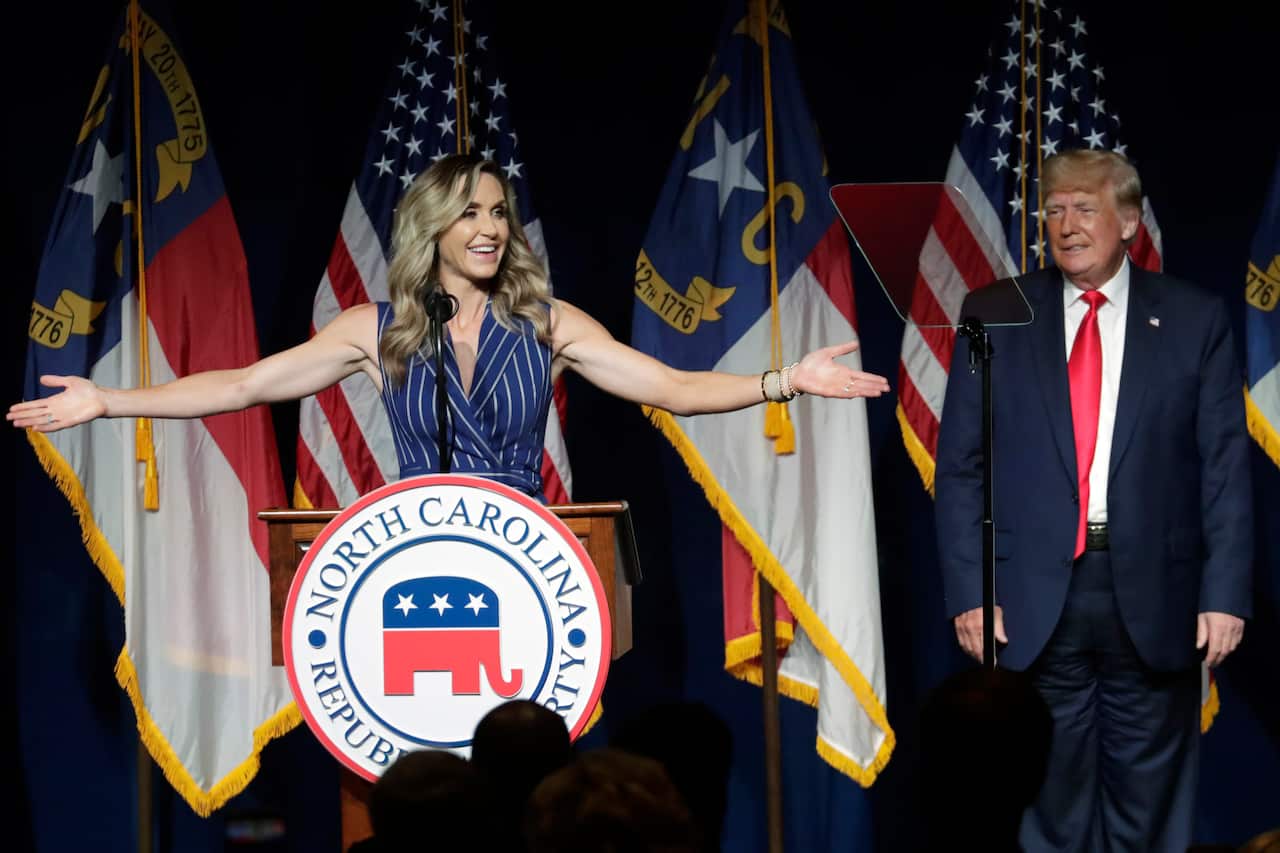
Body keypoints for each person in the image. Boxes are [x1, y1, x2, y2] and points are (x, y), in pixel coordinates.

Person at [7, 154, 889, 501]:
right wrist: (109, 401)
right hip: (413, 549)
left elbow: (674, 389)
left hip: (531, 549)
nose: (491, 228)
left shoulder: (546, 324)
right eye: (471, 213)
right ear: (433, 226)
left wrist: (784, 380)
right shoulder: (375, 327)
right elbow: (242, 385)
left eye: (500, 213)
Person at [934, 148, 1253, 851]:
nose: (1066, 224)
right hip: (1027, 597)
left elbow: (1224, 468)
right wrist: (969, 590)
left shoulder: (1195, 319)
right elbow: (960, 466)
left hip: (1155, 591)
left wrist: (1225, 593)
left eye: (1085, 207)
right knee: (1046, 800)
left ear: (1130, 222)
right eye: (1054, 209)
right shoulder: (994, 312)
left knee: (1151, 808)